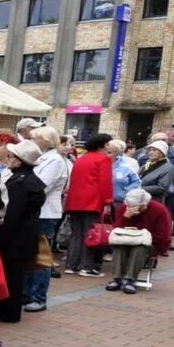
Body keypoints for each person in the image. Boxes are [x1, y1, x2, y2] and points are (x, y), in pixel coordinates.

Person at [0, 141, 45, 324]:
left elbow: (12, 215)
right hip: (24, 237)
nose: (8, 159)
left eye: (11, 156)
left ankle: (8, 312)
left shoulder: (20, 183)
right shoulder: (30, 180)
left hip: (15, 238)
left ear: (20, 161)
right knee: (15, 274)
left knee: (12, 276)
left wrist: (2, 237)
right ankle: (8, 310)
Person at [22, 126, 69, 311]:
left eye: (35, 138)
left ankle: (38, 297)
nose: (32, 141)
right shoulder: (42, 158)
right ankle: (26, 294)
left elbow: (41, 186)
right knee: (29, 254)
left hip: (46, 212)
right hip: (35, 212)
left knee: (41, 256)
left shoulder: (55, 160)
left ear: (45, 140)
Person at [62, 133, 114, 277]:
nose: (109, 147)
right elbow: (105, 182)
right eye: (108, 144)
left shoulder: (81, 159)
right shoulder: (103, 160)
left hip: (75, 200)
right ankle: (86, 266)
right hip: (92, 201)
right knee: (90, 234)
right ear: (101, 145)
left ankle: (71, 265)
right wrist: (108, 202)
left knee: (76, 234)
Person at [107, 188, 171, 293]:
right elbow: (116, 230)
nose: (134, 209)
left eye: (138, 207)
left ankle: (130, 280)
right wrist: (126, 217)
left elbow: (162, 235)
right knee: (119, 245)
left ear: (144, 204)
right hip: (126, 240)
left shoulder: (159, 210)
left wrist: (140, 236)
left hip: (150, 242)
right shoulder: (124, 209)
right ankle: (117, 278)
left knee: (140, 247)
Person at [108, 138, 141, 204]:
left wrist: (125, 192)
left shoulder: (126, 167)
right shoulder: (99, 165)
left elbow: (137, 181)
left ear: (116, 153)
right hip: (100, 202)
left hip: (119, 202)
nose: (106, 154)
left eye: (109, 152)